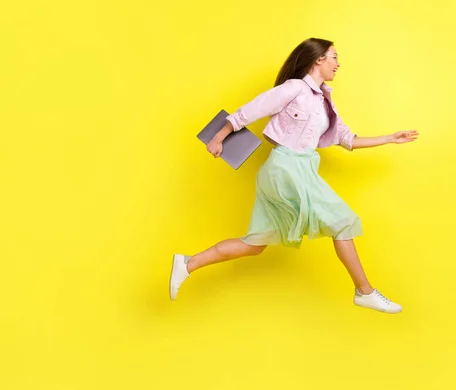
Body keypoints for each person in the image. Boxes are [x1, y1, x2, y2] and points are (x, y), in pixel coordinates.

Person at [170, 37, 419, 313]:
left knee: (254, 245)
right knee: (342, 223)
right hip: (286, 167)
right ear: (318, 60)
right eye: (334, 57)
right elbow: (250, 110)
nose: (339, 64)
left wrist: (390, 138)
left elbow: (346, 139)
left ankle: (187, 264)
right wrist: (219, 137)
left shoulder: (326, 102)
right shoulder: (295, 88)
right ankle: (365, 291)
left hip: (294, 169)